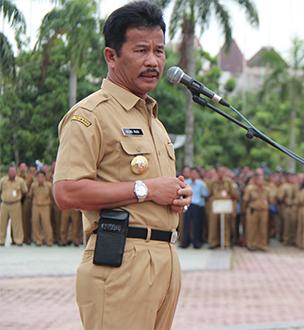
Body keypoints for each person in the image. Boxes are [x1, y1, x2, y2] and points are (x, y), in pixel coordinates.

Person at [52, 2, 192, 329]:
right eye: (141, 50)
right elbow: (66, 191)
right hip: (121, 263)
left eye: (159, 50)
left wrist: (175, 194)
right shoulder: (91, 116)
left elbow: (153, 193)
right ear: (111, 56)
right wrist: (146, 189)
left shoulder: (153, 120)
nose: (153, 61)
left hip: (164, 259)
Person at [207, 167, 238, 248]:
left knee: (225, 224)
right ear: (217, 172)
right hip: (215, 205)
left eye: (223, 172)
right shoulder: (212, 181)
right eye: (220, 172)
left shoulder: (228, 181)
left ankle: (225, 242)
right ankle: (213, 242)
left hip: (225, 205)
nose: (221, 174)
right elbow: (209, 193)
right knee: (214, 224)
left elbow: (232, 194)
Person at [0, 165, 28, 246]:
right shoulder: (3, 180)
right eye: (11, 171)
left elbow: (25, 191)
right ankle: (1, 240)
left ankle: (18, 240)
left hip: (16, 204)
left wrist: (20, 199)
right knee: (2, 223)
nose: (12, 173)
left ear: (16, 172)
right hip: (4, 204)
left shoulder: (20, 181)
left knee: (17, 224)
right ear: (8, 172)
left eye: (14, 172)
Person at [181, 168, 208, 249]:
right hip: (188, 204)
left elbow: (205, 194)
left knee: (197, 224)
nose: (193, 175)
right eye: (192, 173)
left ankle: (197, 242)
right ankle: (185, 242)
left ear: (198, 175)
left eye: (195, 173)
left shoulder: (201, 184)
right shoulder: (186, 182)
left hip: (197, 205)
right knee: (186, 223)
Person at [243, 173, 271, 251]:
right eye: (259, 179)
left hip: (264, 211)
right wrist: (245, 209)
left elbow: (271, 200)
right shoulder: (250, 188)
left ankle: (262, 245)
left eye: (262, 180)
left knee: (263, 229)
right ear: (255, 180)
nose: (261, 181)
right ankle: (251, 244)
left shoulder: (267, 189)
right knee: (252, 228)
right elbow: (246, 200)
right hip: (253, 210)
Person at [28, 171, 54, 246]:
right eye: (38, 177)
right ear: (36, 178)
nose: (40, 178)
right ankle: (38, 240)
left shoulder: (49, 185)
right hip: (35, 206)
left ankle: (49, 240)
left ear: (45, 177)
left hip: (45, 206)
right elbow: (30, 195)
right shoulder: (33, 185)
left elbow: (52, 196)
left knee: (46, 224)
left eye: (42, 177)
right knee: (35, 223)